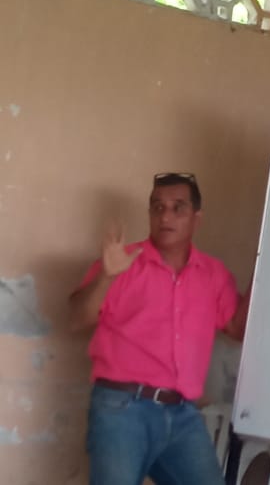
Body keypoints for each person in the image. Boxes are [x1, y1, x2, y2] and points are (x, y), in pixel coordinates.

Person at [69, 172, 250, 485]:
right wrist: (107, 277)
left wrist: (264, 273)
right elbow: (76, 318)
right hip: (123, 410)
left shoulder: (213, 274)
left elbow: (236, 329)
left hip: (183, 415)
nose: (165, 216)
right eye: (157, 207)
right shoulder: (123, 263)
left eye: (178, 208)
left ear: (196, 218)